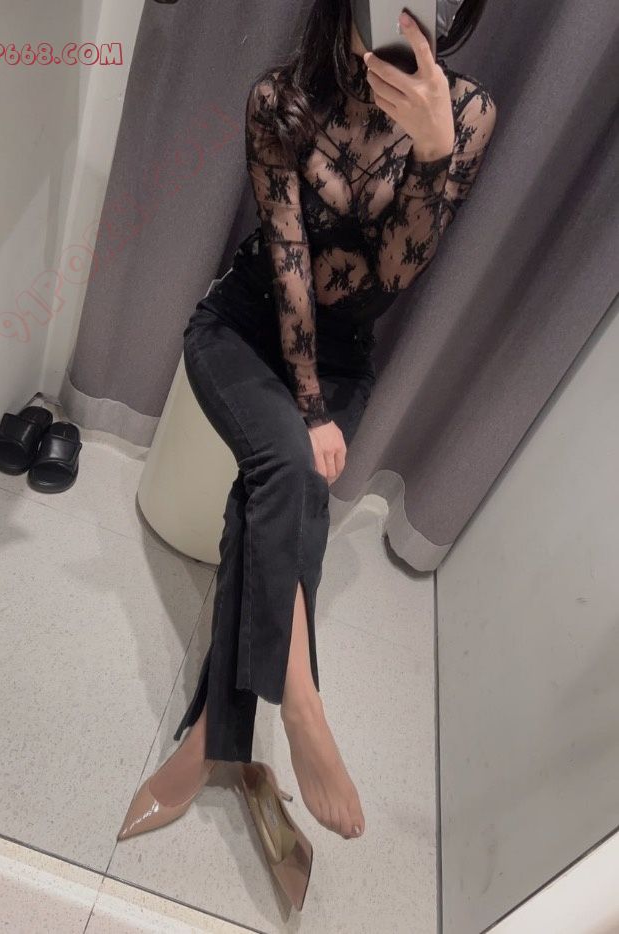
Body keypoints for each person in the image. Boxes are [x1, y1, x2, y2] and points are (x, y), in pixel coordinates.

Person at [119, 0, 496, 853]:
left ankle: (210, 743)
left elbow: (393, 276)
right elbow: (288, 267)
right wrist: (311, 410)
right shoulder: (279, 100)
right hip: (242, 327)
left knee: (283, 503)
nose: (417, 11)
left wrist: (433, 155)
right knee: (292, 469)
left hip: (346, 356)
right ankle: (301, 706)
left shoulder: (466, 113)